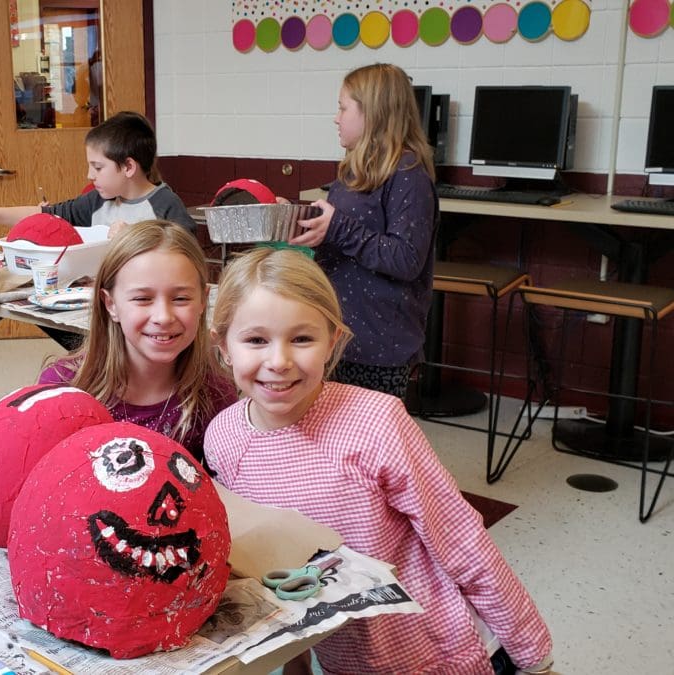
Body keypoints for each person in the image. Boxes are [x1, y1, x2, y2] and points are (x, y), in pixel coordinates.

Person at [203, 247, 553, 675]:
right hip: (345, 661)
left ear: (332, 340)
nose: (278, 362)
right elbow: (269, 568)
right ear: (223, 345)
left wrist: (534, 656)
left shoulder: (377, 420)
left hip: (447, 653)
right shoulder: (223, 438)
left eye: (302, 338)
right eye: (256, 340)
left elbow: (461, 540)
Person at [290, 63, 438, 398]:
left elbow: (406, 259)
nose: (336, 117)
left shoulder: (408, 173)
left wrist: (337, 227)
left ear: (372, 113)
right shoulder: (354, 170)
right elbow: (343, 238)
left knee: (368, 442)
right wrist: (300, 222)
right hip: (342, 334)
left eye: (343, 108)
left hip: (379, 345)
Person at [38, 220, 235, 464]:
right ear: (110, 304)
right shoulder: (62, 388)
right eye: (142, 298)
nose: (163, 317)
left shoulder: (216, 396)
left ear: (203, 301)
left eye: (181, 298)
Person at [0, 111, 196, 237]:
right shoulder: (97, 201)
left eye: (97, 167)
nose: (89, 175)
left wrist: (132, 240)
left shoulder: (166, 205)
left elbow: (185, 260)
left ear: (128, 167)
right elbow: (47, 214)